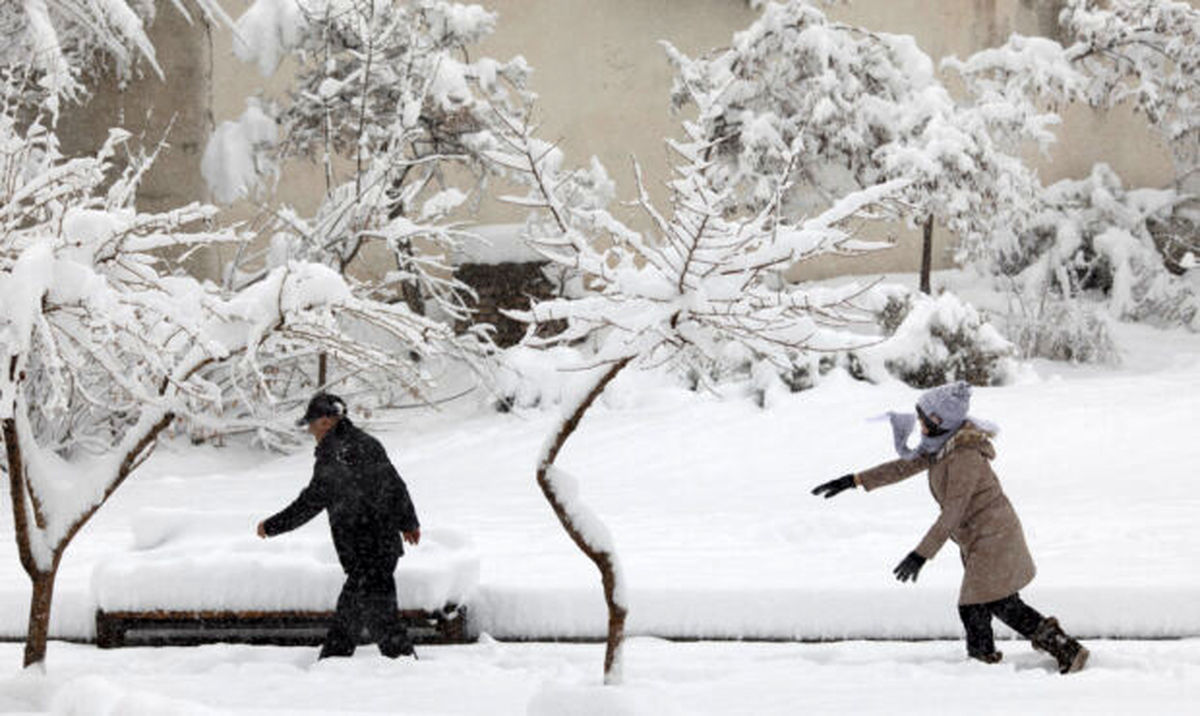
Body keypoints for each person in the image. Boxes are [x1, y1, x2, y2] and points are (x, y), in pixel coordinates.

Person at [811, 381, 1088, 674]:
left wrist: (920, 554)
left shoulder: (963, 456)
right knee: (995, 602)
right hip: (982, 537)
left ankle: (1015, 659)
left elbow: (952, 512)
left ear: (939, 422)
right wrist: (853, 480)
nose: (919, 423)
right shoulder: (943, 446)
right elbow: (902, 467)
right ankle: (1028, 655)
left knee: (979, 604)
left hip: (994, 537)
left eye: (923, 418)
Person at [257, 392, 422, 660]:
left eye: (311, 424)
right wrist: (408, 523)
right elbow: (394, 484)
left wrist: (272, 526)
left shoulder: (335, 454)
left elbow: (311, 501)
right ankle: (336, 662)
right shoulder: (367, 443)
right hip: (379, 546)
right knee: (355, 614)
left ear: (325, 421)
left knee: (378, 619)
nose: (311, 431)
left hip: (365, 548)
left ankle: (398, 665)